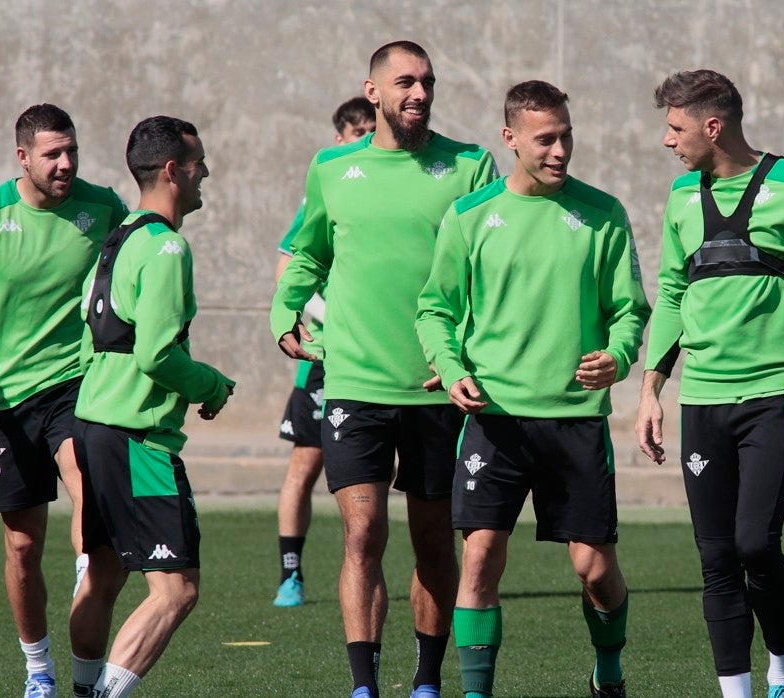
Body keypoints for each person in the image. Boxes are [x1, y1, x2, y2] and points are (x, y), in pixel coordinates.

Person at [270, 40, 497, 698]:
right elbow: (306, 254)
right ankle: (363, 685)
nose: (419, 93)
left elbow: (491, 270)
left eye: (427, 82)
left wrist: (463, 354)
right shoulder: (332, 169)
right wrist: (283, 312)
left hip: (437, 390)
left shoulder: (470, 165)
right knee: (362, 531)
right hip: (353, 384)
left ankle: (426, 681)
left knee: (431, 539)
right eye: (404, 82)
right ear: (373, 93)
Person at [635, 69, 784, 698]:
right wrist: (652, 389)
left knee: (755, 545)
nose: (667, 140)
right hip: (702, 400)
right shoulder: (682, 196)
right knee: (715, 560)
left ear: (714, 126)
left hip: (773, 396)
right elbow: (673, 294)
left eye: (675, 127)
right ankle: (735, 691)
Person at [417, 80, 649, 698]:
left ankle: (609, 670)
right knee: (481, 556)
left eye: (566, 136)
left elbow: (630, 310)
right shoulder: (470, 216)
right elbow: (435, 309)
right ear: (510, 138)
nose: (559, 151)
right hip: (494, 417)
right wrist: (450, 362)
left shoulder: (603, 213)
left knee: (593, 569)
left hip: (574, 419)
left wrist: (619, 355)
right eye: (545, 139)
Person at [0, 103, 128, 698]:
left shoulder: (104, 205)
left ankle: (90, 580)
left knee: (84, 476)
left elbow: (135, 267)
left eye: (72, 151)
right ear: (23, 158)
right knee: (22, 545)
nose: (65, 164)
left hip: (79, 384)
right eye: (52, 154)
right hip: (8, 397)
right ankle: (38, 669)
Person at [68, 115, 234, 698]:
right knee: (176, 590)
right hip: (136, 437)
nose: (205, 172)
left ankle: (81, 688)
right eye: (197, 163)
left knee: (105, 574)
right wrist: (212, 386)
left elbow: (93, 340)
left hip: (95, 426)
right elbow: (158, 354)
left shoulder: (118, 238)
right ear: (171, 170)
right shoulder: (165, 247)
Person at [272, 96, 375, 609]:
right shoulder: (327, 191)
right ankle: (291, 574)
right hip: (323, 361)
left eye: (370, 131)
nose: (364, 140)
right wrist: (333, 322)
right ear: (339, 137)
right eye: (356, 132)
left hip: (379, 362)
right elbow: (287, 274)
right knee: (305, 468)